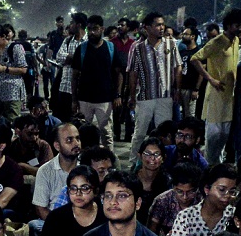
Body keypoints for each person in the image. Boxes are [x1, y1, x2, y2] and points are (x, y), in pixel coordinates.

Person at [188, 9, 241, 164]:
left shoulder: (235, 41)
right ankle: (207, 171)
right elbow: (195, 59)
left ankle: (217, 172)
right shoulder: (216, 42)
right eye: (237, 25)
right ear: (228, 25)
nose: (240, 29)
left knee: (223, 140)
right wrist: (211, 79)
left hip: (230, 97)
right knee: (212, 141)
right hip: (216, 96)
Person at [127, 12, 182, 156]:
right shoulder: (138, 48)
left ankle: (164, 160)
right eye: (158, 25)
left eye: (162, 24)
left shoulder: (171, 44)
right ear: (147, 28)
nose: (161, 28)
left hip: (165, 96)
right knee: (139, 133)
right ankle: (135, 162)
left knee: (165, 133)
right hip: (145, 96)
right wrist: (132, 97)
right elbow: (132, 73)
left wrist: (177, 89)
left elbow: (178, 66)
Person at [167, 162, 240, 236]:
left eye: (232, 192)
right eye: (222, 190)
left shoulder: (234, 216)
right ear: (207, 189)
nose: (227, 196)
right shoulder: (186, 217)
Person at [70, 15, 123, 148]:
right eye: (89, 29)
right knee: (83, 132)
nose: (92, 32)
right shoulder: (81, 49)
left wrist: (117, 94)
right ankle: (85, 162)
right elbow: (74, 76)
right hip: (85, 99)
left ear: (102, 29)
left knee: (106, 133)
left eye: (95, 29)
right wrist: (74, 100)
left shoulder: (110, 48)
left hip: (105, 99)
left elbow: (119, 73)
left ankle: (110, 163)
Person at [32, 123, 82, 222]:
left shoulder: (87, 166)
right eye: (69, 140)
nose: (76, 143)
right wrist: (58, 227)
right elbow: (41, 208)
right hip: (55, 221)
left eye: (78, 138)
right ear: (57, 146)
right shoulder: (45, 171)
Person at [146, 160, 202, 236]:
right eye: (179, 192)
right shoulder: (162, 201)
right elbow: (151, 233)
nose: (185, 197)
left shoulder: (202, 201)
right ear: (173, 187)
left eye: (190, 192)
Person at [0, 24, 28, 120]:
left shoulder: (15, 48)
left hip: (12, 93)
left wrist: (4, 69)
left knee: (12, 120)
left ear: (4, 37)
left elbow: (23, 69)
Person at [131, 137, 170, 211]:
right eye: (147, 154)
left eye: (156, 154)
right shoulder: (131, 179)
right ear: (140, 156)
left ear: (163, 158)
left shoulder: (168, 181)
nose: (152, 158)